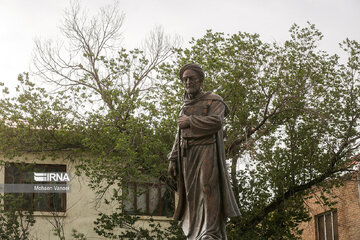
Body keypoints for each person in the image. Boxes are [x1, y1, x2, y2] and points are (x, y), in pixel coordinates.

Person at [168, 63, 240, 240]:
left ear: (200, 80)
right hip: (188, 154)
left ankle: (212, 232)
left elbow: (216, 122)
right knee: (192, 194)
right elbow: (180, 134)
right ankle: (195, 232)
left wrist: (191, 121)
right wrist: (173, 158)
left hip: (207, 149)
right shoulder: (184, 106)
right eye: (184, 79)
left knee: (208, 187)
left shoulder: (214, 100)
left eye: (191, 78)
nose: (187, 82)